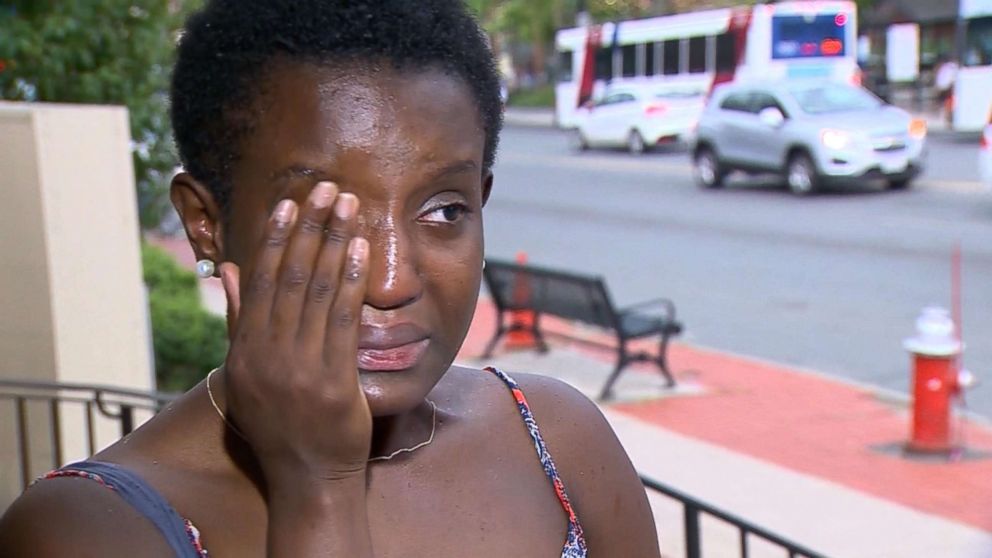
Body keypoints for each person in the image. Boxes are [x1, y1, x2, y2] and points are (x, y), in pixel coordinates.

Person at [0, 1, 660, 556]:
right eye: (327, 221)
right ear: (207, 222)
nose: (394, 280)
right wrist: (316, 488)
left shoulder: (557, 438)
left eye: (443, 210)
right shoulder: (88, 530)